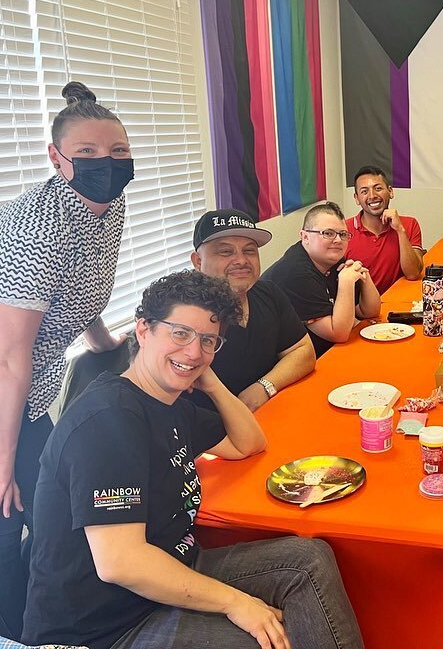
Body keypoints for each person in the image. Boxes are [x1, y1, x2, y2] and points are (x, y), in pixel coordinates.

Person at [22, 270, 363, 649]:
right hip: (106, 626)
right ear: (143, 330)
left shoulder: (170, 404)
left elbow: (249, 443)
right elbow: (120, 562)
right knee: (260, 639)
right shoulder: (109, 420)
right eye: (180, 333)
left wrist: (209, 380)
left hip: (175, 568)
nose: (194, 351)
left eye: (208, 340)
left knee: (307, 560)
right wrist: (236, 603)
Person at [0, 82, 131, 638]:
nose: (107, 166)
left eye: (118, 153)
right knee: (15, 516)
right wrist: (4, 464)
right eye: (89, 156)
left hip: (32, 375)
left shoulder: (110, 203)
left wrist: (101, 340)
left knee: (53, 513)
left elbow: (77, 288)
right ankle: (19, 632)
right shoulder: (39, 229)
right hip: (9, 382)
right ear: (57, 159)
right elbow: (10, 358)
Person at [190, 209, 315, 412]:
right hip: (212, 434)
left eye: (249, 250)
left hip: (273, 413)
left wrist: (263, 387)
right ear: (197, 261)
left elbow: (303, 352)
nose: (241, 260)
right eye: (226, 251)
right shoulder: (184, 314)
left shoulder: (269, 293)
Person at [262, 201, 380, 357]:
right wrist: (346, 283)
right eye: (328, 233)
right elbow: (338, 334)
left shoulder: (332, 260)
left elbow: (369, 311)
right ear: (305, 237)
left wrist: (364, 276)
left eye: (343, 234)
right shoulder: (296, 274)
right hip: (279, 363)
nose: (338, 240)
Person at [345, 166, 424, 293]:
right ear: (356, 198)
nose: (372, 196)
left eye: (378, 188)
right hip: (360, 309)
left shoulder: (409, 224)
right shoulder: (343, 231)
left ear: (390, 192)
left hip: (397, 305)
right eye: (364, 191)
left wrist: (400, 230)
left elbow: (413, 274)